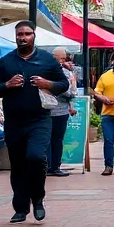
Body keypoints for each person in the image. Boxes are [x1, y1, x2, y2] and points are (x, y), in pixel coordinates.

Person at [0, 20, 69, 223]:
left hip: (40, 119)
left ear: (34, 36)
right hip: (14, 121)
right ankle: (21, 208)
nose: (23, 37)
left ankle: (38, 198)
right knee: (18, 165)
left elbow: (63, 84)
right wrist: (7, 84)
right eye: (19, 34)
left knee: (35, 157)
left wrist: (47, 83)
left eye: (27, 34)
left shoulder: (46, 60)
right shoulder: (6, 61)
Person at [47, 47, 78, 177]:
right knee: (57, 139)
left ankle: (46, 166)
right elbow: (69, 92)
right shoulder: (63, 72)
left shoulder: (44, 70)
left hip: (45, 110)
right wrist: (73, 90)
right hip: (59, 111)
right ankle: (54, 167)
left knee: (46, 140)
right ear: (62, 58)